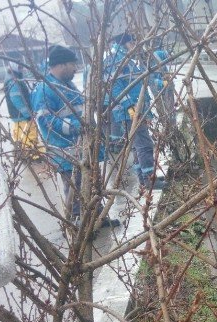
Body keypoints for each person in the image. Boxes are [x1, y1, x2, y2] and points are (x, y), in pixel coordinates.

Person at [31, 46, 119, 228]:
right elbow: (45, 120)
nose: (75, 69)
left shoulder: (67, 85)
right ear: (61, 64)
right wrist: (76, 127)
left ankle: (98, 217)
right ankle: (79, 224)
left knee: (93, 183)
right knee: (76, 188)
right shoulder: (45, 89)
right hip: (67, 151)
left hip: (82, 148)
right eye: (72, 64)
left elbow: (82, 112)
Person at [103, 32, 165, 190]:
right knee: (144, 144)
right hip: (130, 111)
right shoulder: (116, 59)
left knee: (139, 145)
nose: (137, 45)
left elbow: (141, 79)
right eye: (134, 42)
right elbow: (114, 86)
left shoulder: (126, 58)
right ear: (127, 43)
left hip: (135, 108)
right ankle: (149, 179)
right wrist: (129, 106)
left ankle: (145, 177)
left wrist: (159, 83)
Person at [4, 61, 42, 160]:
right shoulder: (14, 81)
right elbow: (17, 99)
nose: (22, 69)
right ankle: (33, 156)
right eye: (20, 67)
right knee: (30, 133)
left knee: (20, 134)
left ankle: (21, 152)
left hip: (16, 115)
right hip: (22, 115)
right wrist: (27, 114)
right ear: (15, 67)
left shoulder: (12, 78)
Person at [149, 46, 176, 131]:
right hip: (160, 89)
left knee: (171, 108)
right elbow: (151, 80)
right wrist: (162, 83)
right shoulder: (156, 57)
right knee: (163, 108)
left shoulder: (162, 56)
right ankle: (167, 126)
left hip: (167, 86)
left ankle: (172, 126)